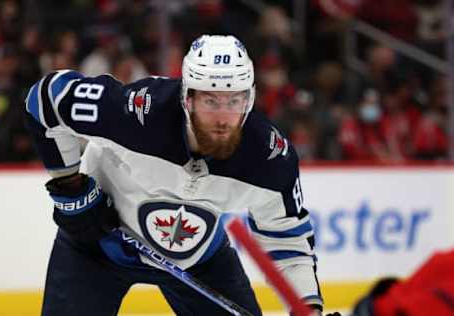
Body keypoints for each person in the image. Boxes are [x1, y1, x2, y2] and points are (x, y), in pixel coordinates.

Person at [25, 34, 323, 316]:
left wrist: (308, 309)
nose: (223, 119)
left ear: (250, 99)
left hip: (199, 259)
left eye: (234, 101)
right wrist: (72, 190)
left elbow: (288, 243)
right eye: (210, 101)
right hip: (98, 245)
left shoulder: (270, 159)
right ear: (188, 99)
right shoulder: (136, 114)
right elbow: (45, 99)